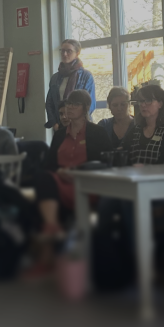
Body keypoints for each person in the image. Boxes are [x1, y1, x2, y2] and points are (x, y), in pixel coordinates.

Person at [37, 89, 113, 236]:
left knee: (44, 188)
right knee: (42, 177)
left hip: (87, 183)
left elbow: (107, 162)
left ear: (85, 108)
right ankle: (52, 228)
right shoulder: (60, 134)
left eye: (75, 104)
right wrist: (59, 171)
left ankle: (51, 231)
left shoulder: (98, 132)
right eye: (68, 104)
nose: (70, 108)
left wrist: (80, 171)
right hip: (61, 182)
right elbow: (48, 164)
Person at [125, 83, 164, 164]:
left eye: (148, 100)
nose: (143, 105)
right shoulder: (135, 130)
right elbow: (124, 157)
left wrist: (146, 168)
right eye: (141, 101)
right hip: (136, 172)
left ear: (160, 104)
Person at [45, 38, 95, 133]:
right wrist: (54, 123)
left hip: (80, 125)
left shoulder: (86, 76)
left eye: (69, 51)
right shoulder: (55, 78)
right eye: (62, 51)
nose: (65, 54)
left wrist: (78, 121)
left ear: (77, 53)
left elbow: (90, 103)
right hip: (60, 124)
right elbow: (49, 102)